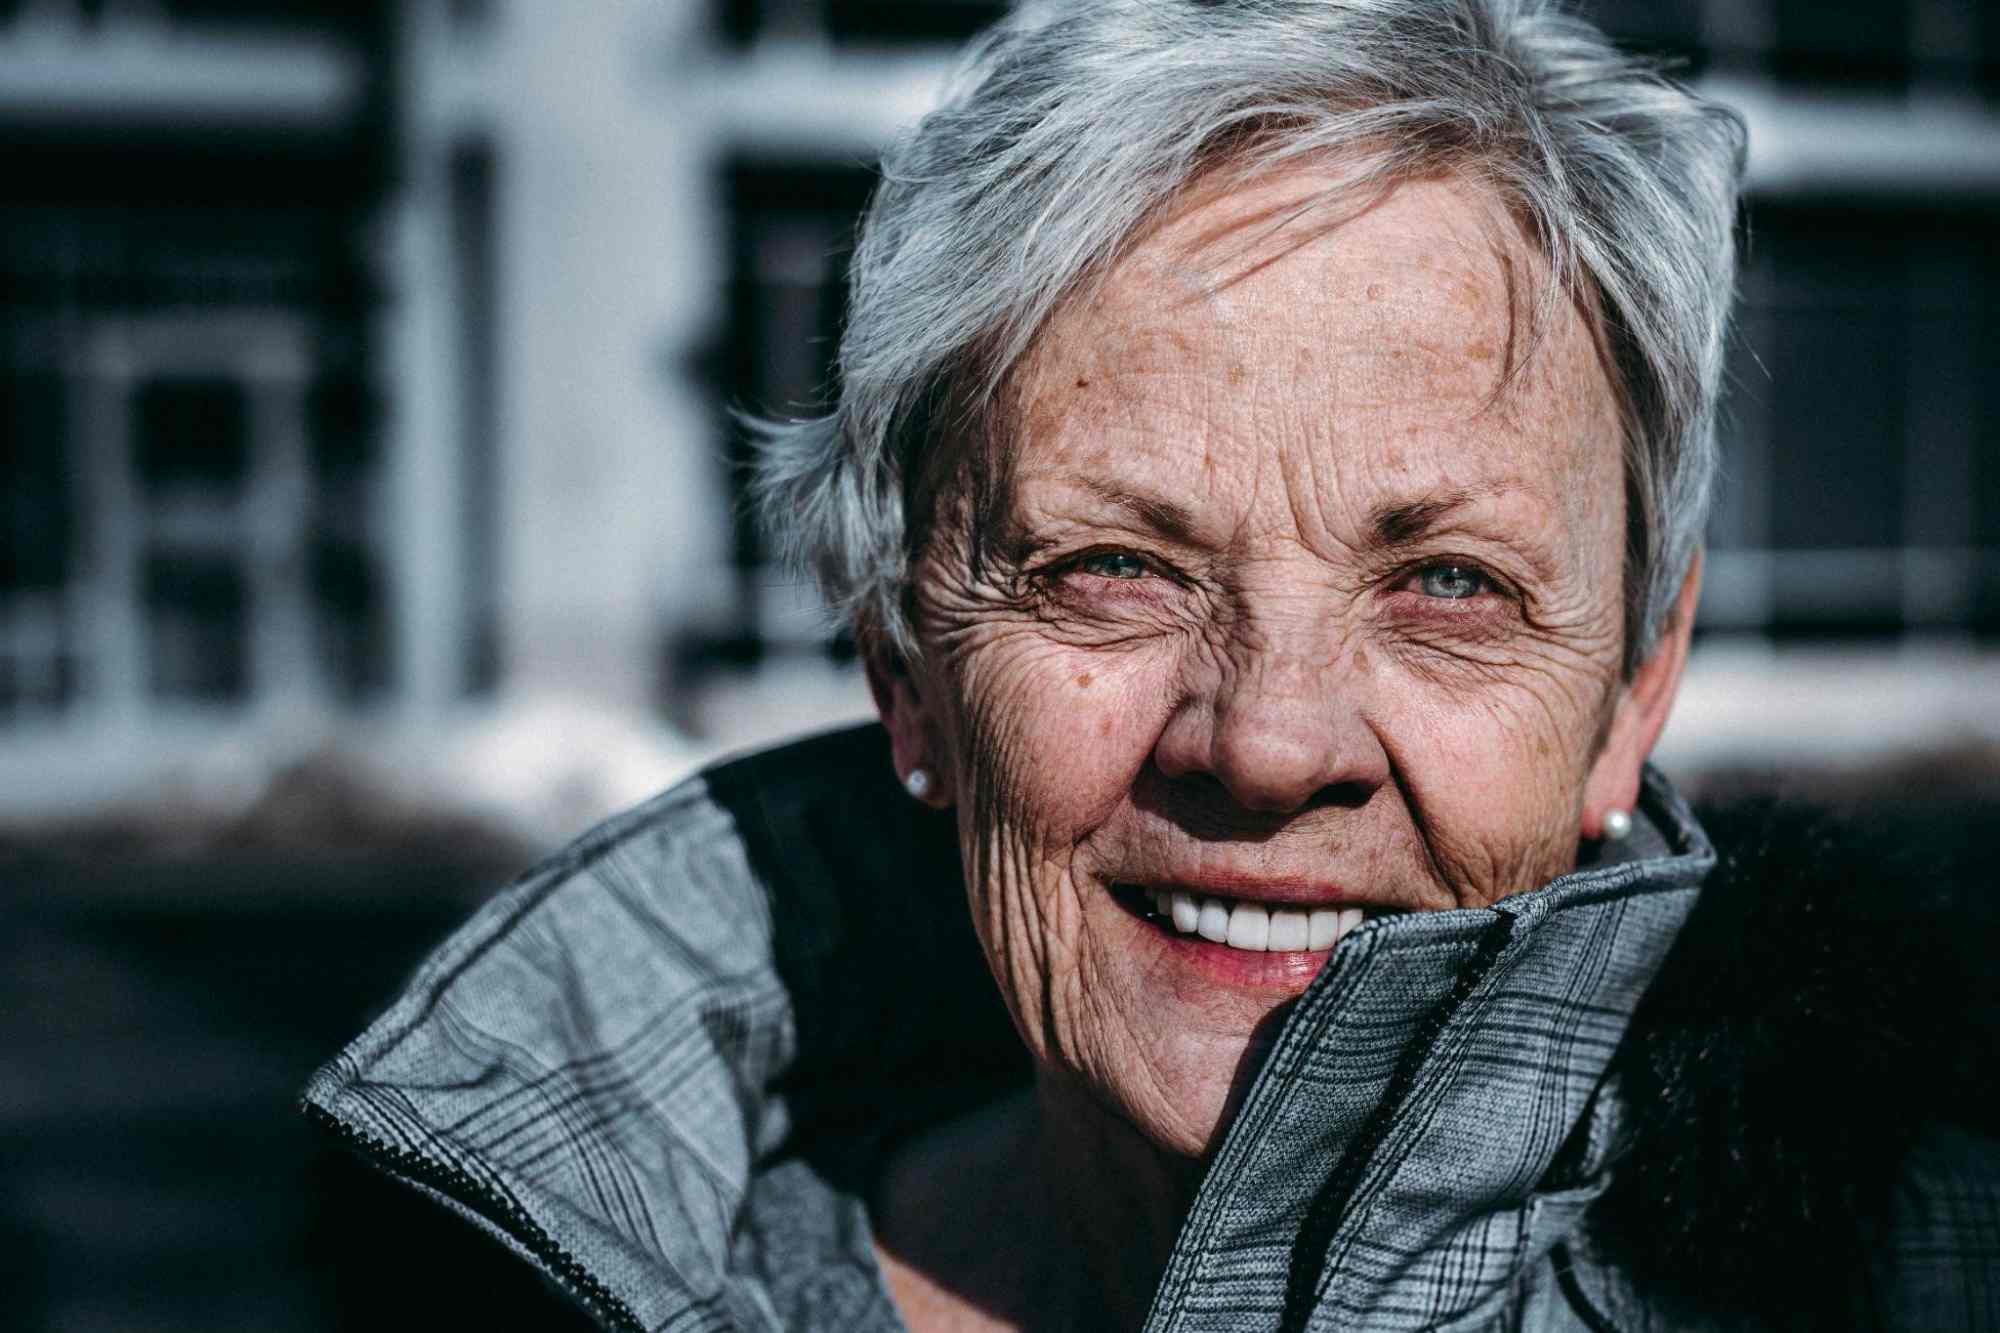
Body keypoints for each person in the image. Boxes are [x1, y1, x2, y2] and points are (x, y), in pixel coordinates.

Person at [305, 1, 1999, 1328]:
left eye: (1448, 585)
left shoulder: (1927, 1276)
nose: (1266, 741)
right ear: (907, 658)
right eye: (1113, 567)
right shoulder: (516, 1285)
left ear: (1636, 686)